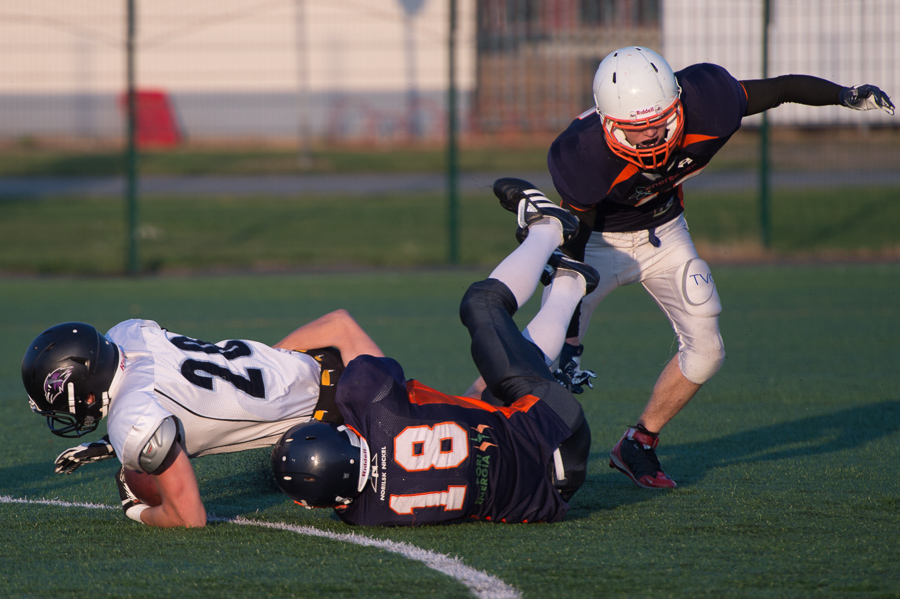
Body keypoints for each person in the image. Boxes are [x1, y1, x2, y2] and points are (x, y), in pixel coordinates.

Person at [541, 46, 895, 489]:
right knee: (542, 349)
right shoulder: (583, 156)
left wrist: (843, 95)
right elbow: (574, 253)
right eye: (638, 129)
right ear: (608, 124)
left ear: (677, 104)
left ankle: (638, 443)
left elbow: (782, 89)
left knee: (707, 350)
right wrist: (571, 340)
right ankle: (483, 433)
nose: (651, 137)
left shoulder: (710, 101)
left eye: (659, 122)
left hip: (665, 231)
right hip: (597, 242)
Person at [271, 179, 599, 526]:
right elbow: (340, 326)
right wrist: (273, 362)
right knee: (480, 304)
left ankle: (569, 282)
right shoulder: (375, 404)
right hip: (553, 423)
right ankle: (547, 227)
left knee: (478, 395)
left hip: (548, 497)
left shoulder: (364, 515)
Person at [21, 309, 383, 528]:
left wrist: (136, 510)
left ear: (85, 392)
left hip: (341, 418)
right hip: (326, 350)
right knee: (336, 331)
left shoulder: (131, 418)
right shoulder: (127, 334)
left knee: (313, 471)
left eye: (66, 406)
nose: (70, 414)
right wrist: (111, 443)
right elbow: (171, 391)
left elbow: (188, 518)